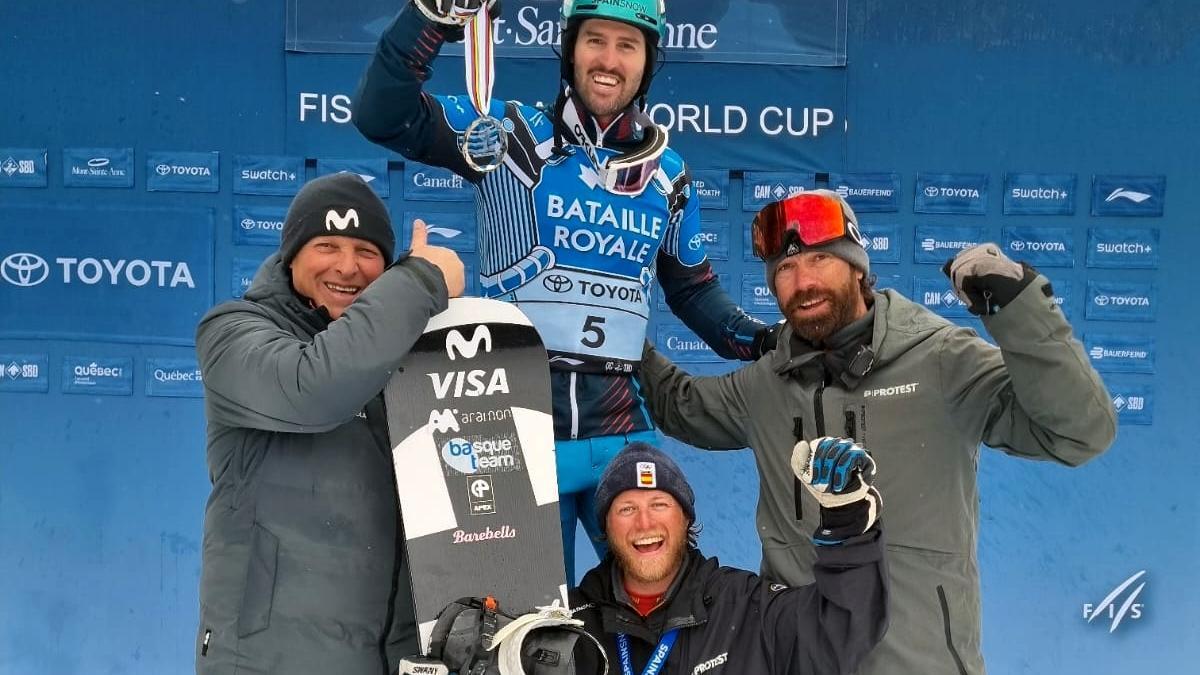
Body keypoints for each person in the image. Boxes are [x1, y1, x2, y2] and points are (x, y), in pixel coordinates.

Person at [352, 0, 771, 581]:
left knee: (658, 612)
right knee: (519, 633)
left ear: (648, 63)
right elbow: (382, 114)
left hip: (622, 433)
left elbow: (694, 292)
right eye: (594, 39)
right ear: (569, 50)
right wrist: (431, 19)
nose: (608, 59)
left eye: (628, 46)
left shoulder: (668, 173)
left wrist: (763, 340)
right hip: (514, 428)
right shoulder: (509, 138)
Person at [637, 189, 1117, 675]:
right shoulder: (768, 380)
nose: (802, 282)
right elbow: (680, 406)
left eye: (820, 259)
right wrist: (613, 325)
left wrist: (1019, 309)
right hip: (799, 660)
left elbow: (1079, 433)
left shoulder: (942, 359)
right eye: (785, 269)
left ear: (858, 267)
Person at [193, 172, 465, 675]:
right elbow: (313, 387)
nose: (348, 267)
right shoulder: (232, 333)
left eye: (366, 251)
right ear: (291, 255)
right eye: (326, 245)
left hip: (392, 658)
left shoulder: (410, 350)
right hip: (269, 660)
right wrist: (422, 281)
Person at [407, 439, 887, 675]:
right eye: (626, 509)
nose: (644, 524)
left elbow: (842, 630)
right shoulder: (570, 624)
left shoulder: (747, 606)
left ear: (684, 521)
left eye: (660, 505)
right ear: (607, 528)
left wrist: (847, 525)